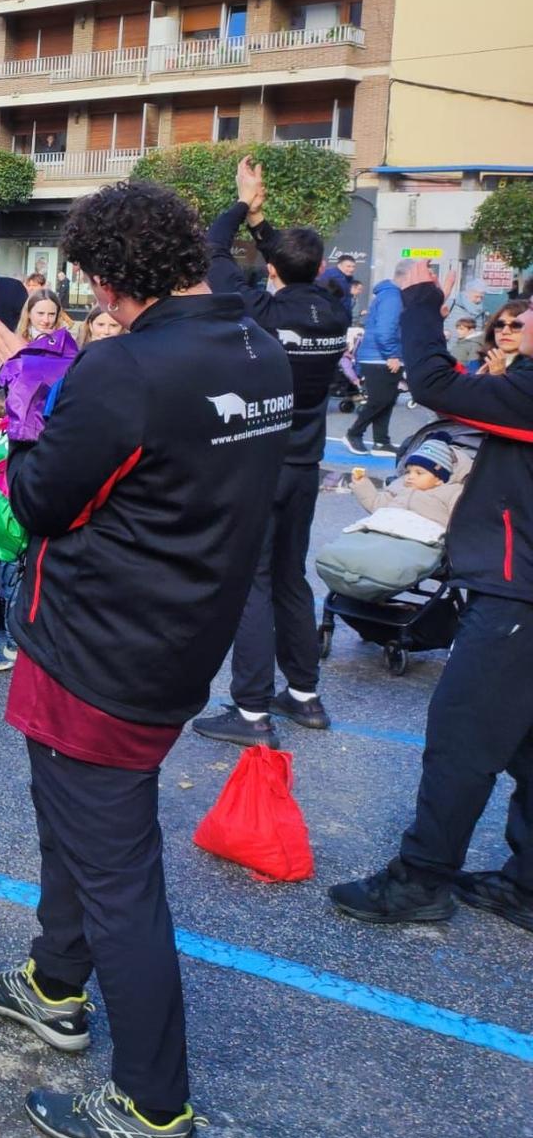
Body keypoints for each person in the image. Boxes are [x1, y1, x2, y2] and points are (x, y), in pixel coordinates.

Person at [0, 180, 290, 1138]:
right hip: (177, 633)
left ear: (105, 280)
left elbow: (40, 500)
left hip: (98, 644)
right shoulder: (255, 345)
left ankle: (154, 1105)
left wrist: (14, 428)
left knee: (117, 873)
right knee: (73, 825)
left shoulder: (123, 369)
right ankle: (54, 983)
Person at [330, 261, 533, 934]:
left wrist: (418, 300)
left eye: (523, 315)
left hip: (517, 598)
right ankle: (527, 883)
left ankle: (421, 879)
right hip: (516, 590)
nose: (515, 323)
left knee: (462, 738)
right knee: (525, 744)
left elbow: (435, 383)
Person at [190, 159, 350, 752]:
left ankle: (252, 708)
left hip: (261, 464)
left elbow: (212, 250)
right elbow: (293, 266)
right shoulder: (333, 310)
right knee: (290, 577)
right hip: (307, 464)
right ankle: (304, 695)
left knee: (251, 584)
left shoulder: (260, 311)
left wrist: (242, 205)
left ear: (274, 269)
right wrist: (264, 224)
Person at [345, 260, 412, 456]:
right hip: (380, 356)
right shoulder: (393, 297)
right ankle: (354, 433)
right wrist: (392, 354)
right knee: (380, 399)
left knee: (387, 399)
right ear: (408, 276)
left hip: (380, 355)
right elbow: (385, 329)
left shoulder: (391, 294)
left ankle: (381, 442)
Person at [348, 437, 467, 527]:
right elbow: (376, 504)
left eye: (419, 473)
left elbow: (460, 523)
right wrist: (362, 486)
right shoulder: (400, 486)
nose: (410, 477)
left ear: (439, 479)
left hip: (423, 536)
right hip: (387, 528)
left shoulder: (452, 492)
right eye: (409, 472)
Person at [318, 253, 357, 324]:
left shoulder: (348, 277)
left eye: (353, 266)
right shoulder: (331, 276)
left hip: (343, 315)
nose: (351, 269)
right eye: (348, 266)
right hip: (332, 317)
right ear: (339, 265)